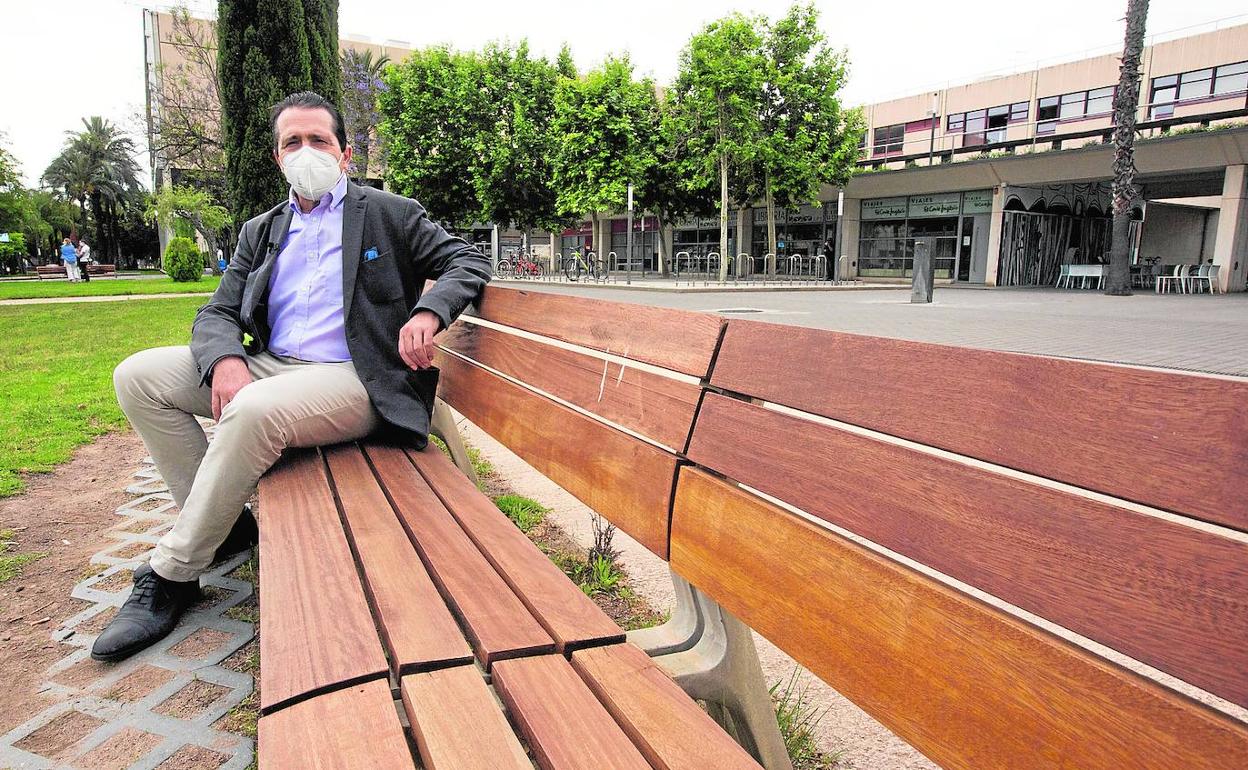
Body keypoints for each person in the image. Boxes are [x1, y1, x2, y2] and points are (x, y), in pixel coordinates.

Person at [92, 91, 492, 662]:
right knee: (139, 376)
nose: (307, 151)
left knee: (254, 411)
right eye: (292, 142)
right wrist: (227, 360)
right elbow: (218, 311)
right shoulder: (262, 230)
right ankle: (224, 529)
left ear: (345, 154)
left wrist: (430, 311)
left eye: (319, 140)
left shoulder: (389, 214)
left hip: (356, 377)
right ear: (278, 158)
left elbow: (468, 261)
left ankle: (173, 574)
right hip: (272, 364)